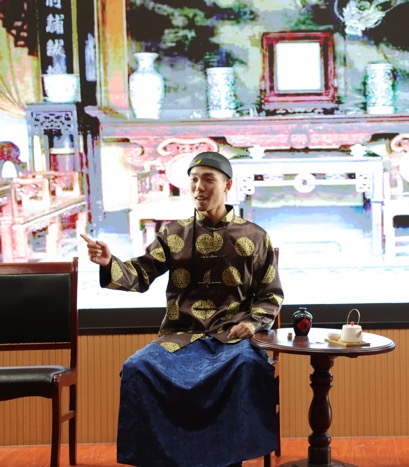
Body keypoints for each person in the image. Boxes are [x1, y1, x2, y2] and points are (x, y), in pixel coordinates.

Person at [81, 151, 283, 467]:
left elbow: (270, 295)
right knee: (137, 367)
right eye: (194, 180)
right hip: (180, 337)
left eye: (208, 180)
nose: (199, 187)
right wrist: (109, 262)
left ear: (228, 185)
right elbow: (141, 273)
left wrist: (253, 323)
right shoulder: (174, 234)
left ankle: (229, 461)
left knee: (247, 365)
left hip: (230, 339)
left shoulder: (255, 236)